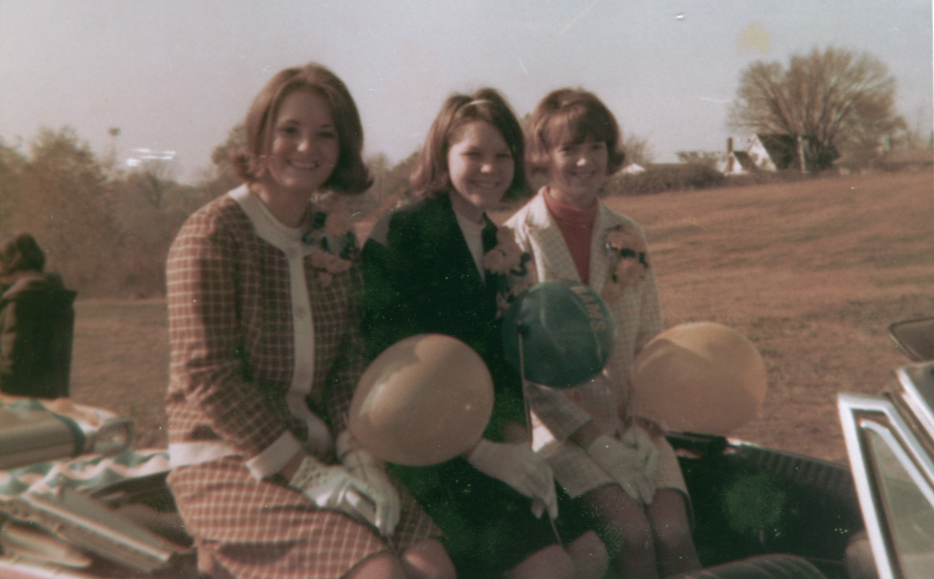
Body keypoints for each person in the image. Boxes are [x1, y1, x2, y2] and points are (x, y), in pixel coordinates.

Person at [165, 63, 454, 579]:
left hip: (325, 455)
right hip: (229, 459)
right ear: (260, 135)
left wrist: (358, 453)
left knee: (432, 566)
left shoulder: (334, 237)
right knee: (379, 573)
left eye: (326, 134)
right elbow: (208, 376)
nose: (306, 147)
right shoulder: (210, 234)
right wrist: (305, 473)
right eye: (289, 131)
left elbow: (348, 357)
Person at [361, 89, 607, 579]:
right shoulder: (406, 232)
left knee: (594, 551)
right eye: (473, 154)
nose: (490, 169)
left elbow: (505, 363)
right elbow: (391, 366)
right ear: (442, 155)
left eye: (502, 156)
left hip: (496, 444)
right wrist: (481, 451)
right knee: (550, 568)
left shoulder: (499, 240)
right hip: (428, 452)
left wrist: (517, 447)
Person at [505, 88, 701, 578]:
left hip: (635, 425)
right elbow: (523, 368)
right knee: (631, 535)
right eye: (568, 149)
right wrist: (595, 440)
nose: (584, 161)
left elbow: (650, 339)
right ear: (543, 157)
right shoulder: (515, 240)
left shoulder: (627, 231)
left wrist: (642, 420)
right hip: (563, 434)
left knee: (675, 534)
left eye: (595, 147)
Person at [0, 232, 76, 399]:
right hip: (54, 401)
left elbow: (12, 367)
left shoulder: (19, 301)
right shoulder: (56, 296)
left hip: (19, 406)